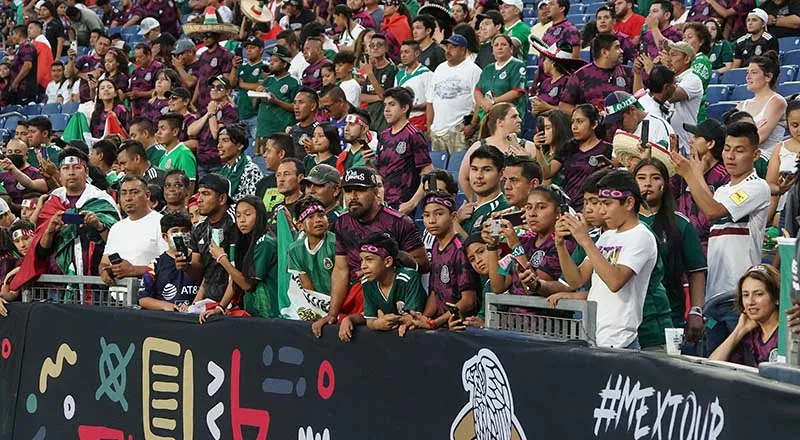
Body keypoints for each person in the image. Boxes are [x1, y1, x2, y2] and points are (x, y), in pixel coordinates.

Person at [670, 121, 769, 356]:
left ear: (755, 154)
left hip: (740, 296)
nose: (731, 156)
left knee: (741, 365)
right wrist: (694, 171)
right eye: (727, 149)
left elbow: (712, 211)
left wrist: (689, 174)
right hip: (714, 294)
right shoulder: (724, 189)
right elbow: (709, 202)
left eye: (739, 150)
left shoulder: (757, 187)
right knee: (712, 364)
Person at [312, 166, 427, 337]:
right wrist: (332, 314)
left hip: (393, 300)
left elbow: (423, 265)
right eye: (348, 191)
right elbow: (341, 269)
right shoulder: (342, 222)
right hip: (358, 299)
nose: (353, 197)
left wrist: (394, 258)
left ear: (375, 192)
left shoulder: (400, 222)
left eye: (359, 190)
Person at [557, 170, 658, 349]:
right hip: (594, 335)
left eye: (607, 204)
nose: (602, 211)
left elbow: (615, 281)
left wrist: (586, 241)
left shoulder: (641, 236)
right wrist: (560, 246)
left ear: (628, 203)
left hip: (620, 342)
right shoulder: (607, 236)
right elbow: (576, 280)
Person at [12, 148, 120, 291]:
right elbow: (40, 251)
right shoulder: (53, 202)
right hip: (58, 285)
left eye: (77, 167)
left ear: (86, 172)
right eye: (65, 168)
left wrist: (99, 225)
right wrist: (49, 231)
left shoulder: (101, 200)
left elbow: (117, 242)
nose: (71, 172)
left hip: (97, 283)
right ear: (60, 174)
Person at [634, 158, 707, 344]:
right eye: (641, 178)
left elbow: (696, 270)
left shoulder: (680, 224)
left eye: (655, 177)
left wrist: (696, 310)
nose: (648, 183)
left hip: (669, 314)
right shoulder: (620, 224)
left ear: (665, 184)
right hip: (628, 314)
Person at [338, 232, 426, 340]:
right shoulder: (367, 282)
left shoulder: (408, 278)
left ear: (388, 261)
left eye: (369, 260)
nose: (363, 266)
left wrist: (390, 320)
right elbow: (370, 319)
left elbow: (413, 317)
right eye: (362, 260)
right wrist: (376, 324)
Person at [204, 196, 278, 319]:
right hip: (252, 313)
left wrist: (222, 259)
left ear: (259, 215)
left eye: (247, 214)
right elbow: (236, 279)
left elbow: (247, 284)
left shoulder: (266, 242)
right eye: (238, 216)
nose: (242, 220)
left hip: (270, 314)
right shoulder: (245, 242)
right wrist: (220, 307)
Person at [418, 191, 479, 325]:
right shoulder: (435, 245)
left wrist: (435, 323)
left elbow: (468, 301)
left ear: (453, 217)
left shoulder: (460, 249)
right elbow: (435, 292)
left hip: (461, 327)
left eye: (439, 214)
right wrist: (424, 319)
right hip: (441, 325)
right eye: (426, 215)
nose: (432, 220)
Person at [537, 105, 611, 210]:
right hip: (568, 207)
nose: (574, 126)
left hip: (592, 208)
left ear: (594, 124)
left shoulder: (607, 150)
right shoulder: (568, 147)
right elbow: (547, 173)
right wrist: (538, 149)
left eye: (580, 121)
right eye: (573, 122)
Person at [178, 173, 237, 305]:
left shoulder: (235, 225)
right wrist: (186, 266)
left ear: (222, 199)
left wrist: (222, 307)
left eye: (206, 194)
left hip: (235, 303)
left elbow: (238, 274)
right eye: (199, 194)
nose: (199, 199)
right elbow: (201, 273)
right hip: (209, 301)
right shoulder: (199, 229)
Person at [673, 118, 730, 252]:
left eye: (697, 137)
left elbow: (715, 211)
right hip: (681, 242)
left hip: (709, 246)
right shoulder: (685, 167)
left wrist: (696, 175)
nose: (690, 140)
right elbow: (666, 191)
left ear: (710, 143)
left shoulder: (724, 175)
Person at [99, 176, 167, 285]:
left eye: (134, 192)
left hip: (149, 296)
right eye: (124, 193)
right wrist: (104, 271)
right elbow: (104, 262)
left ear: (147, 195)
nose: (128, 198)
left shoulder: (162, 223)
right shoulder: (117, 228)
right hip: (116, 298)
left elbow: (169, 266)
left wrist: (133, 270)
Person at [459, 103, 537, 199]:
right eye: (514, 117)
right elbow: (463, 178)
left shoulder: (529, 147)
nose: (519, 120)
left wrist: (527, 160)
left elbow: (540, 178)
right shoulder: (478, 147)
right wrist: (477, 202)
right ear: (500, 122)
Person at [709, 264, 779, 365]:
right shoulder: (749, 336)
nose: (750, 301)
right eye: (745, 295)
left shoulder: (788, 332)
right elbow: (713, 367)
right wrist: (739, 331)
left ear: (776, 297)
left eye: (758, 294)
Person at [376, 87, 433, 211]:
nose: (386, 110)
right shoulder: (383, 135)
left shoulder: (413, 135)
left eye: (392, 105)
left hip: (402, 205)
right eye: (385, 105)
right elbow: (380, 172)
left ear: (404, 108)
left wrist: (413, 203)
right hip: (382, 204)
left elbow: (430, 173)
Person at [427, 34, 482, 154]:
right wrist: (429, 127)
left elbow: (479, 101)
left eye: (453, 47)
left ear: (463, 50)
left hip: (458, 129)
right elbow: (430, 100)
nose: (448, 51)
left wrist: (472, 125)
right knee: (438, 171)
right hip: (437, 130)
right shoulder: (440, 69)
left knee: (457, 169)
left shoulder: (473, 70)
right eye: (447, 47)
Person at [137, 212, 199, 311]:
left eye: (184, 231)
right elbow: (143, 298)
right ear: (165, 237)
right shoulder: (155, 265)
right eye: (175, 231)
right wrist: (165, 306)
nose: (180, 234)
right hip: (167, 319)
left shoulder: (198, 260)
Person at [559, 34, 632, 114]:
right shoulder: (580, 75)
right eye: (617, 48)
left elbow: (640, 98)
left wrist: (638, 75)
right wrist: (586, 116)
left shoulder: (628, 72)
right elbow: (563, 105)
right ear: (604, 52)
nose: (622, 51)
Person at [736, 52, 786, 159]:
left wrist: (743, 132)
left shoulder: (777, 102)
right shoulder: (741, 105)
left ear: (768, 77)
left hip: (766, 157)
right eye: (747, 73)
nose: (748, 77)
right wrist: (754, 128)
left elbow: (760, 138)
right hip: (742, 155)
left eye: (753, 72)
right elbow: (730, 136)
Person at [188, 75, 239, 178]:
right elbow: (191, 131)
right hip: (202, 162)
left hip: (218, 162)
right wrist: (208, 113)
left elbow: (216, 134)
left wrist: (211, 113)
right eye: (212, 87)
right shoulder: (207, 108)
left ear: (227, 91)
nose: (215, 90)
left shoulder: (230, 111)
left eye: (219, 87)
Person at [459, 145, 510, 237]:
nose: (479, 176)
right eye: (474, 169)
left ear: (501, 174)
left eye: (486, 170)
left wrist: (453, 223)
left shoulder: (503, 210)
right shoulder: (465, 211)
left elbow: (480, 249)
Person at [288, 196, 336, 293]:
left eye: (321, 215)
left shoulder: (336, 243)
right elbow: (307, 288)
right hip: (316, 301)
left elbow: (342, 278)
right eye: (310, 217)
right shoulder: (295, 250)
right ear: (300, 226)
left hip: (342, 299)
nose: (318, 220)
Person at [475, 35, 526, 124]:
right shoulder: (488, 68)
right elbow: (478, 90)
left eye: (503, 44)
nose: (499, 47)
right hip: (487, 116)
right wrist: (483, 103)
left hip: (508, 117)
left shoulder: (517, 65)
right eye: (496, 45)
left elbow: (517, 91)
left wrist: (493, 102)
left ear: (511, 49)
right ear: (492, 51)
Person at [663, 42, 703, 155]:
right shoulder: (670, 79)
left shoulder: (693, 79)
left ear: (687, 59)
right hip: (668, 143)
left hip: (686, 145)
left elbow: (669, 95)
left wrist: (657, 73)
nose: (669, 59)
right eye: (669, 54)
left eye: (674, 55)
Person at [256, 45, 300, 144]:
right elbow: (255, 106)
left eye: (275, 61)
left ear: (284, 64)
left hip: (282, 131)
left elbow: (297, 107)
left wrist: (276, 101)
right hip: (263, 130)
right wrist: (257, 93)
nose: (271, 63)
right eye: (270, 60)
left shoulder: (293, 82)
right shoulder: (267, 80)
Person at [604, 90, 675, 149]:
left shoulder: (659, 126)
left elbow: (668, 160)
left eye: (620, 121)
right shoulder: (621, 133)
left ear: (632, 109)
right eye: (615, 123)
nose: (619, 126)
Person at [231, 36, 265, 153]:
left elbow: (260, 86)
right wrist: (235, 67)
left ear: (261, 50)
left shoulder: (264, 66)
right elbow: (231, 84)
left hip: (256, 115)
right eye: (247, 48)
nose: (248, 50)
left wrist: (242, 84)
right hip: (241, 114)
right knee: (242, 150)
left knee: (258, 151)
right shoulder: (242, 66)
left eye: (252, 47)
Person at [360, 33, 397, 133]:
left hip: (385, 122)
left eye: (379, 45)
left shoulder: (392, 70)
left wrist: (370, 74)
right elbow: (363, 96)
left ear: (386, 48)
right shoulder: (371, 69)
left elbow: (385, 96)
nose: (375, 48)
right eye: (372, 45)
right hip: (371, 119)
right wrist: (378, 98)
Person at [218, 123, 264, 202]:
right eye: (219, 141)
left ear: (239, 146)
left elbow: (253, 202)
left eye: (225, 140)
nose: (219, 145)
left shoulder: (251, 170)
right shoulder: (224, 170)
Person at [394, 40, 432, 133]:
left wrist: (429, 126)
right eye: (401, 52)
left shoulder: (426, 74)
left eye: (406, 52)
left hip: (421, 122)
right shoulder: (399, 75)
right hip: (403, 123)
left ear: (417, 53)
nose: (403, 55)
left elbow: (431, 102)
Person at [192, 30, 234, 111]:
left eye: (209, 36)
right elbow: (200, 79)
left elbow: (227, 82)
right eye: (203, 36)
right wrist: (193, 101)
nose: (205, 38)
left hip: (216, 103)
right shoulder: (202, 55)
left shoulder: (225, 54)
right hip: (201, 103)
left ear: (216, 37)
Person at [0, 139, 46, 208]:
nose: (13, 154)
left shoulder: (36, 173)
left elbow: (43, 188)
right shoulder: (2, 174)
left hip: (29, 212)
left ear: (26, 155)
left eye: (17, 152)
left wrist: (13, 169)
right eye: (10, 152)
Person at [157, 113, 197, 191]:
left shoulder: (184, 153)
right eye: (158, 129)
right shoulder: (164, 155)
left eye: (163, 128)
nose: (158, 132)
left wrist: (185, 203)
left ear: (175, 131)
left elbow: (190, 186)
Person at [681, 22, 713, 122]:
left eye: (689, 37)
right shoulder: (684, 61)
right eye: (684, 37)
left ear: (701, 41)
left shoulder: (702, 61)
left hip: (695, 116)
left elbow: (686, 87)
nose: (685, 40)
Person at [255, 133, 295, 210]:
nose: (264, 155)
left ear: (281, 154)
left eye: (268, 151)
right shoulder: (262, 184)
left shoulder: (299, 183)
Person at [127, 43, 162, 117]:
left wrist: (139, 94)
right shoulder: (136, 71)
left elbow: (160, 90)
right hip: (136, 111)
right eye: (136, 57)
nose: (137, 60)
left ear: (148, 54)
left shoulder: (158, 68)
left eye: (140, 57)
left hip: (151, 109)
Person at [7, 26, 38, 105]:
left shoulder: (27, 47)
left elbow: (27, 66)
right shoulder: (20, 48)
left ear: (18, 34)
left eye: (13, 34)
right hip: (19, 88)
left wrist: (15, 82)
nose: (12, 37)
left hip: (25, 87)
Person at [289, 87, 321, 161]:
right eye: (295, 103)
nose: (296, 107)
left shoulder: (320, 131)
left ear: (312, 106)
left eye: (301, 102)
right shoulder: (293, 130)